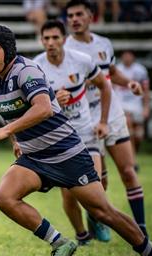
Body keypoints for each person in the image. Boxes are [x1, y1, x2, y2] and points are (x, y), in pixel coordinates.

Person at [0, 25, 152, 256]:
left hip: (66, 152)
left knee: (103, 213)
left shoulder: (27, 70)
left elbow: (43, 108)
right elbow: (11, 112)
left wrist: (6, 130)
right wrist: (15, 137)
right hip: (34, 158)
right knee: (4, 198)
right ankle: (59, 243)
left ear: (9, 50)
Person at [65, 0, 149, 237]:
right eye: (70, 15)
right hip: (87, 120)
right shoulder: (67, 50)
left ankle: (141, 229)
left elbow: (111, 73)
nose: (74, 19)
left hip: (112, 115)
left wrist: (129, 82)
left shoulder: (104, 44)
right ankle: (96, 218)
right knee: (99, 183)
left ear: (91, 16)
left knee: (128, 172)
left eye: (79, 14)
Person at [34, 20, 112, 244]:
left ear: (64, 39)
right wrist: (52, 101)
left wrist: (104, 121)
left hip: (86, 132)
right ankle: (82, 234)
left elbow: (105, 85)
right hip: (58, 137)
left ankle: (95, 217)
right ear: (41, 41)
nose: (50, 43)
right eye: (46, 38)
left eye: (55, 37)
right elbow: (31, 106)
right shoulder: (36, 68)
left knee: (94, 185)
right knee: (69, 192)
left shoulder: (81, 60)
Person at [116, 50, 150, 155]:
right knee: (128, 125)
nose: (127, 58)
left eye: (129, 55)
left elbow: (146, 90)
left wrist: (146, 107)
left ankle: (134, 152)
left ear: (133, 57)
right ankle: (131, 156)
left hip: (136, 104)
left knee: (138, 135)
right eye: (124, 55)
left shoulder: (140, 70)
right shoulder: (117, 69)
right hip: (122, 104)